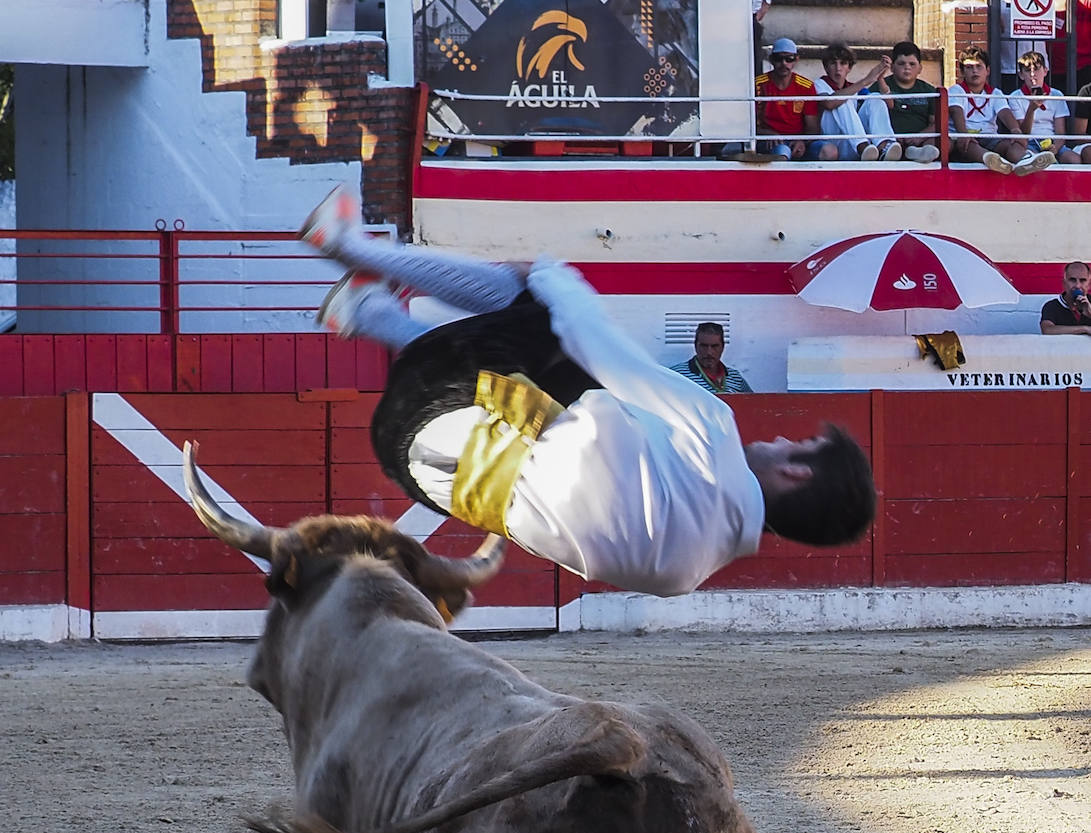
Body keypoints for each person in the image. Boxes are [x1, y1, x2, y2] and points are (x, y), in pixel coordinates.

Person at [297, 186, 876, 599]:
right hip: (413, 465)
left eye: (794, 443)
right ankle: (362, 311)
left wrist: (549, 273)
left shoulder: (713, 431)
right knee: (580, 406)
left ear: (798, 474)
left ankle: (347, 245)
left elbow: (598, 341)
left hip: (437, 392)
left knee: (550, 311)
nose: (777, 437)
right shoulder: (682, 577)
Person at [947, 46, 1055, 175]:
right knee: (968, 143)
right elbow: (956, 111)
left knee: (1012, 143)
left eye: (979, 66)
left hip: (990, 137)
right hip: (966, 138)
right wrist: (963, 133)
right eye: (969, 67)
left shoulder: (995, 93)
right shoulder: (956, 90)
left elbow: (1005, 113)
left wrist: (1016, 131)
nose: (974, 71)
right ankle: (990, 159)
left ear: (987, 70)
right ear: (962, 72)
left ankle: (1025, 161)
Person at [814, 43, 901, 161]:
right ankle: (862, 146)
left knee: (875, 97)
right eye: (833, 63)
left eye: (843, 63)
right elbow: (829, 103)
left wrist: (879, 79)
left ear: (849, 68)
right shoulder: (819, 84)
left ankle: (883, 147)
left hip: (850, 145)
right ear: (826, 67)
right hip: (831, 144)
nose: (838, 68)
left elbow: (889, 105)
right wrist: (866, 80)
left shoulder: (853, 88)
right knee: (841, 100)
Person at [754, 37, 831, 161]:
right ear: (771, 60)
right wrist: (768, 134)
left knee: (829, 151)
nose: (784, 63)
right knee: (783, 151)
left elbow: (812, 128)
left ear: (796, 60)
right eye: (779, 58)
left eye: (789, 59)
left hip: (798, 141)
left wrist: (802, 141)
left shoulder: (806, 86)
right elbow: (748, 125)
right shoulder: (757, 85)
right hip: (769, 141)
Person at [1007, 51, 1078, 164]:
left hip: (1051, 142)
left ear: (1045, 71)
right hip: (1028, 143)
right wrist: (1031, 109)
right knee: (1028, 158)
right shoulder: (1014, 97)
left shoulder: (1056, 95)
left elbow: (1060, 132)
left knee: (1073, 159)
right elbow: (1023, 133)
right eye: (1027, 71)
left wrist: (1056, 148)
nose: (1032, 75)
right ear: (1020, 75)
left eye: (1036, 69)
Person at [875, 40, 940, 162]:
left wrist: (919, 137)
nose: (907, 67)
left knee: (937, 141)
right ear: (892, 67)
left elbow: (935, 123)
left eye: (912, 64)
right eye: (901, 63)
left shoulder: (930, 91)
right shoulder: (879, 86)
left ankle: (915, 153)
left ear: (920, 68)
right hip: (890, 143)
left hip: (920, 142)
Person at [670, 322, 752, 396]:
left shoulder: (735, 378)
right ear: (695, 346)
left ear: (722, 347)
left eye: (715, 346)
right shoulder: (677, 376)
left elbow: (753, 407)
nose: (709, 352)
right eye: (704, 346)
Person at [1039, 261, 1091, 336]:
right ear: (1064, 283)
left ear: (1089, 285)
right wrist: (1084, 329)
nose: (1077, 285)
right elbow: (1047, 330)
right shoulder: (1052, 306)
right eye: (1072, 280)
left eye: (1083, 280)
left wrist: (1089, 313)